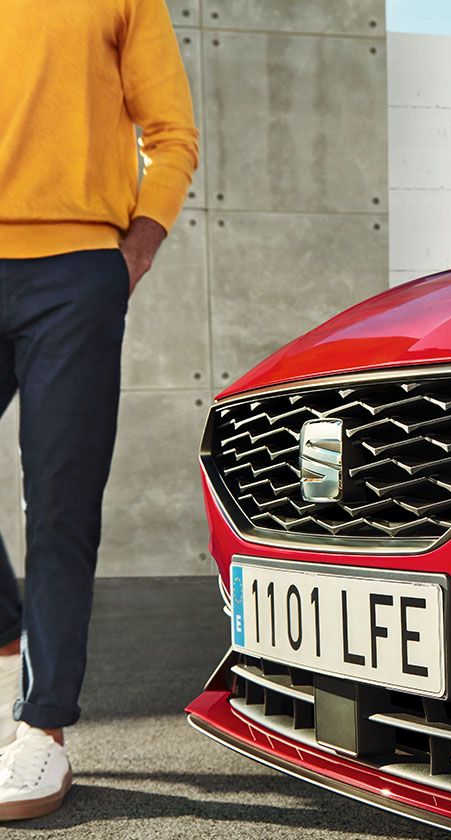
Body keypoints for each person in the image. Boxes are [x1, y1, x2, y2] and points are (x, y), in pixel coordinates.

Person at [0, 0, 199, 820]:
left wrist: (135, 250)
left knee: (59, 505)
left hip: (75, 271)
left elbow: (171, 132)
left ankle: (41, 730)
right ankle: (8, 619)